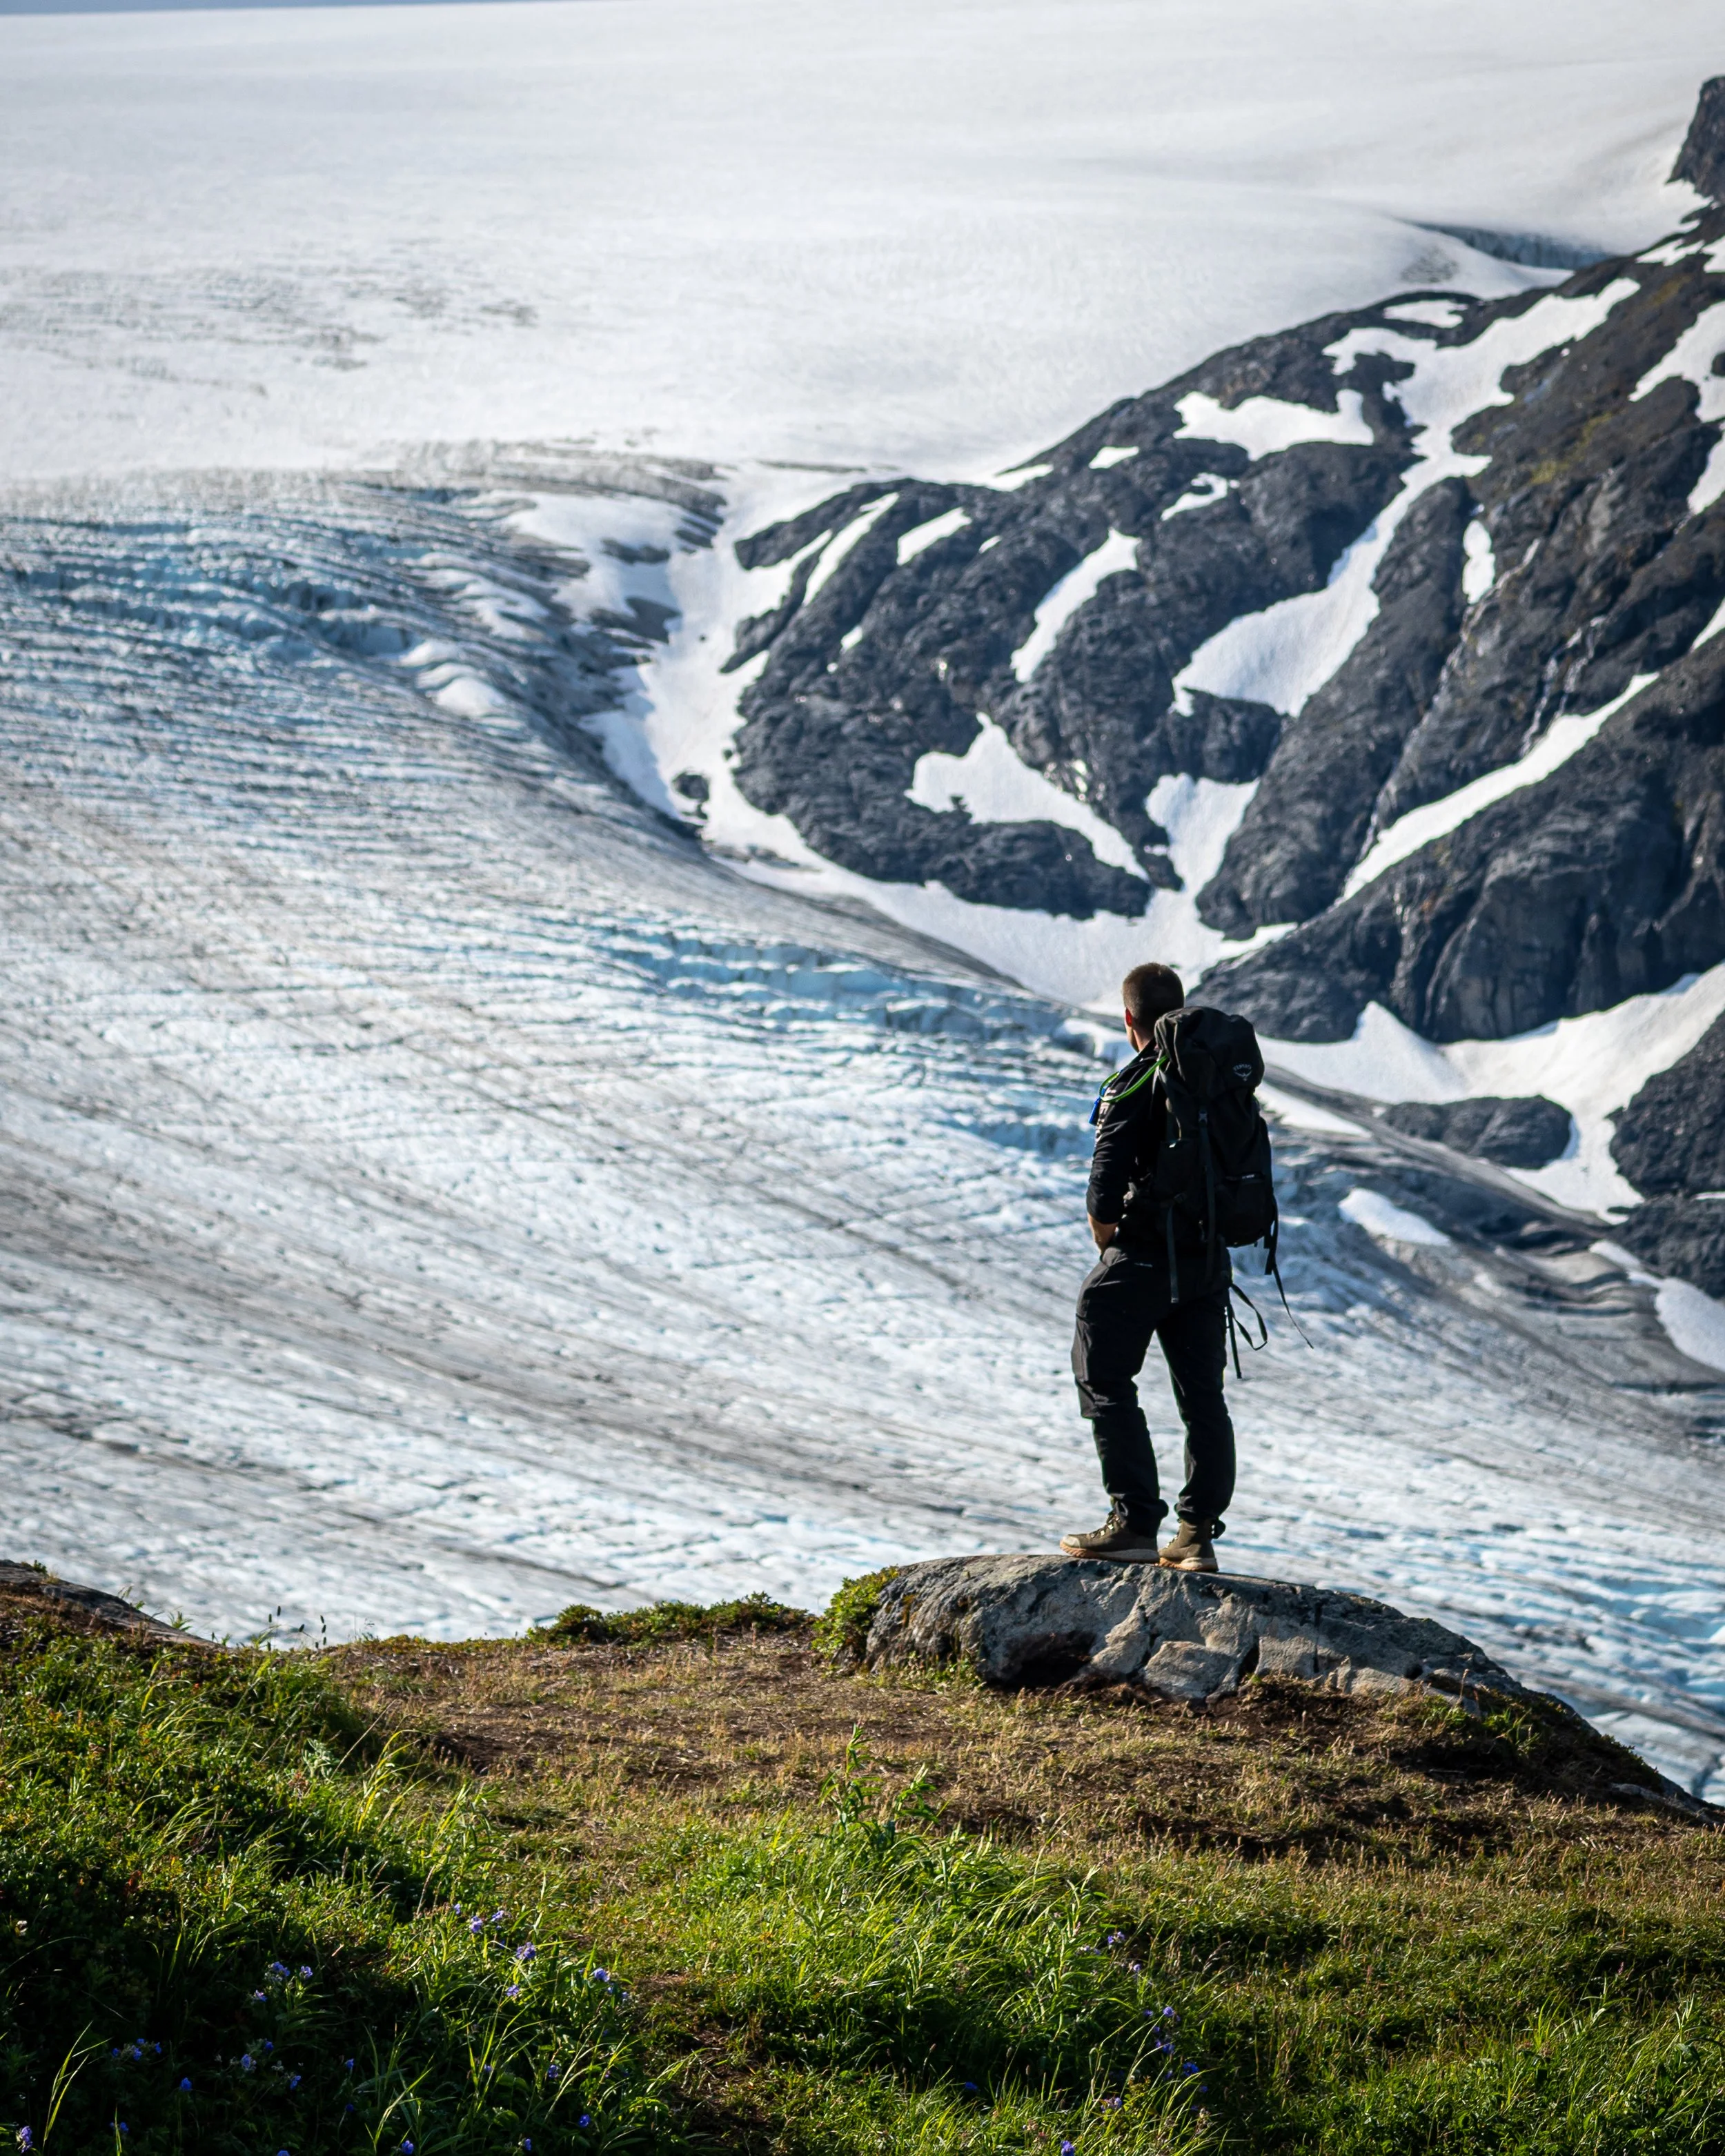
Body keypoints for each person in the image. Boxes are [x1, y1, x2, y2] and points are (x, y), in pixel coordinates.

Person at [1060, 962, 1234, 1573]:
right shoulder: (1217, 1080)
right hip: (1209, 1262)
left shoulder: (1136, 1080)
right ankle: (1195, 1535)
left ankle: (1134, 1522)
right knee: (1202, 1397)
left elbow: (1104, 1186)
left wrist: (1110, 1242)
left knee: (1103, 1375)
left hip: (1143, 1259)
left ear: (1129, 1018)